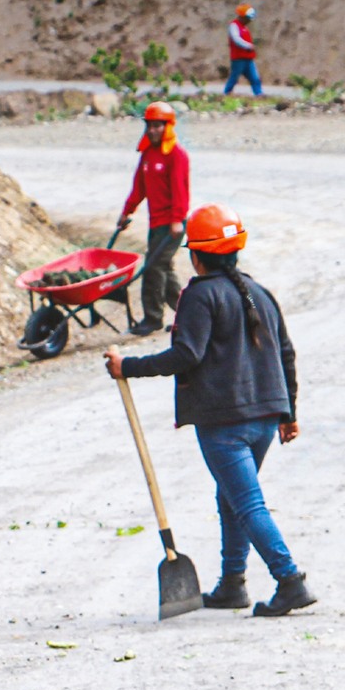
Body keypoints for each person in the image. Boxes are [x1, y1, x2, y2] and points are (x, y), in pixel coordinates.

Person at [104, 204, 314, 618]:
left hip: (225, 422)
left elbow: (186, 355)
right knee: (231, 497)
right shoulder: (259, 292)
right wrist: (288, 412)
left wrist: (127, 366)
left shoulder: (200, 295)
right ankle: (232, 584)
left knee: (247, 502)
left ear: (196, 255)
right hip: (265, 419)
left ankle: (290, 580)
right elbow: (285, 352)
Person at [114, 101, 190, 336]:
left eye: (158, 126)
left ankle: (153, 318)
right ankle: (187, 315)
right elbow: (139, 187)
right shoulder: (148, 154)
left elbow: (180, 190)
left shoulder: (176, 155)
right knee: (163, 268)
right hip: (156, 223)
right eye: (150, 126)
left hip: (172, 224)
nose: (153, 130)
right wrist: (127, 212)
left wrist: (177, 219)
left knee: (153, 268)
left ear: (168, 126)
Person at [223, 4, 262, 96]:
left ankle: (259, 94)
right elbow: (236, 39)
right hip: (238, 58)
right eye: (248, 18)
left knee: (255, 78)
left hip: (248, 58)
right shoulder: (234, 26)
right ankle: (226, 93)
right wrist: (248, 46)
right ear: (242, 16)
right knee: (234, 77)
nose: (249, 21)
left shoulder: (244, 27)